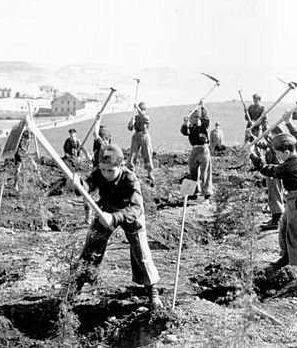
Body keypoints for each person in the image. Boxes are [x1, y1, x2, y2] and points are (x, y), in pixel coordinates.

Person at [69, 144, 162, 308]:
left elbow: (137, 208)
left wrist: (114, 218)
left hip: (130, 214)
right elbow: (89, 185)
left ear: (121, 165)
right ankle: (75, 289)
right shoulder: (99, 173)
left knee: (141, 251)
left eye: (110, 170)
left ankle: (152, 291)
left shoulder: (130, 179)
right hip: (105, 209)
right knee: (91, 247)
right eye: (103, 169)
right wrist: (79, 185)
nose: (106, 174)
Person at [250, 113, 297, 286]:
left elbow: (268, 170)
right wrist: (289, 123)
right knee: (285, 227)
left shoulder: (290, 166)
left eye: (279, 154)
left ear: (287, 152)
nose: (277, 156)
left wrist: (253, 157)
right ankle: (286, 257)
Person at [255, 125, 286, 231]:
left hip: (275, 171)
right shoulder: (273, 144)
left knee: (275, 196)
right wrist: (254, 139)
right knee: (273, 196)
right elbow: (264, 145)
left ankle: (275, 222)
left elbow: (269, 143)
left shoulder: (278, 144)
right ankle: (274, 219)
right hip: (272, 171)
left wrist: (264, 134)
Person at [180, 101, 213, 200]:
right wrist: (185, 123)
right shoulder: (190, 127)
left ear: (196, 118)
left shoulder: (203, 126)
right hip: (194, 150)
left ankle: (207, 193)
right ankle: (193, 193)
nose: (190, 120)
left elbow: (206, 118)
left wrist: (203, 107)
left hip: (204, 149)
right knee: (192, 170)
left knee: (205, 172)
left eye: (191, 118)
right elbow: (184, 132)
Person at [127, 102, 155, 185]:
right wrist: (131, 124)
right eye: (141, 108)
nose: (142, 110)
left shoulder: (147, 117)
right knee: (132, 154)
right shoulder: (135, 117)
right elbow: (130, 128)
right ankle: (130, 171)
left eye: (143, 109)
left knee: (147, 154)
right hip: (136, 136)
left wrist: (138, 109)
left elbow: (144, 118)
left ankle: (150, 173)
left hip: (145, 136)